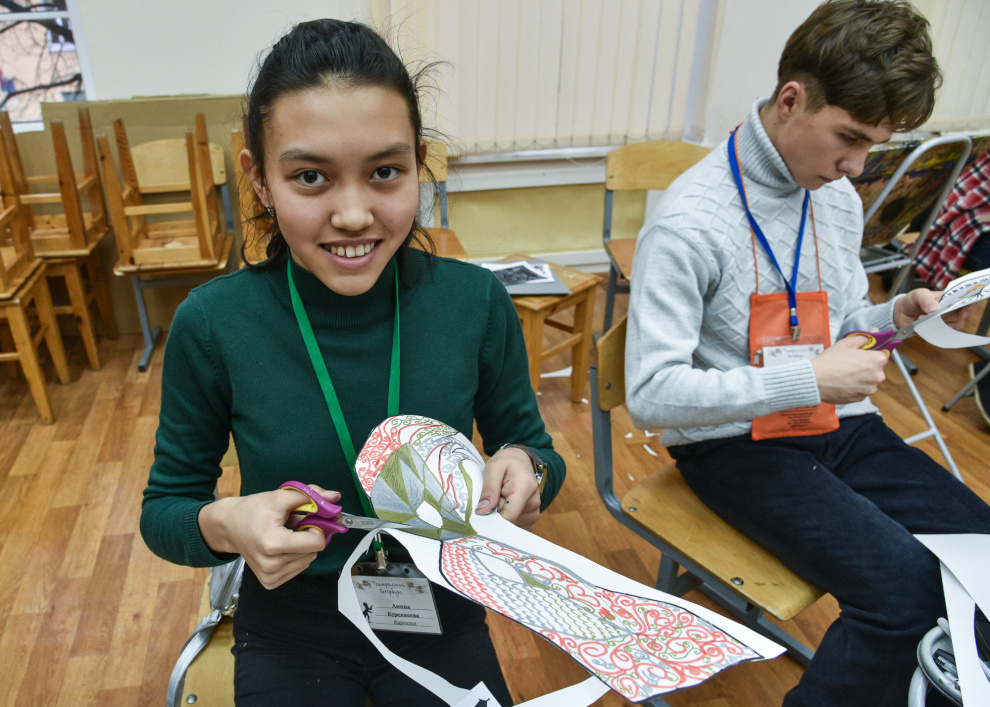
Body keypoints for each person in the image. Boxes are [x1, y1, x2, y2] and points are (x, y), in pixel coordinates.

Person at [140, 19, 565, 706]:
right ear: (258, 179)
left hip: (437, 603)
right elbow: (166, 508)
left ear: (418, 163)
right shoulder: (214, 324)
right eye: (310, 177)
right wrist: (228, 524)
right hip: (292, 618)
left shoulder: (474, 302)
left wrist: (527, 468)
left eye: (385, 172)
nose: (354, 214)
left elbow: (535, 447)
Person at [624, 1, 990, 706]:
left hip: (832, 423)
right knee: (905, 594)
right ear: (791, 100)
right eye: (849, 138)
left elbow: (844, 323)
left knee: (982, 549)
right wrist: (810, 377)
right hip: (735, 444)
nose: (856, 165)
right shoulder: (690, 221)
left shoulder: (836, 198)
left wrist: (896, 318)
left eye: (873, 145)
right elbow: (651, 395)